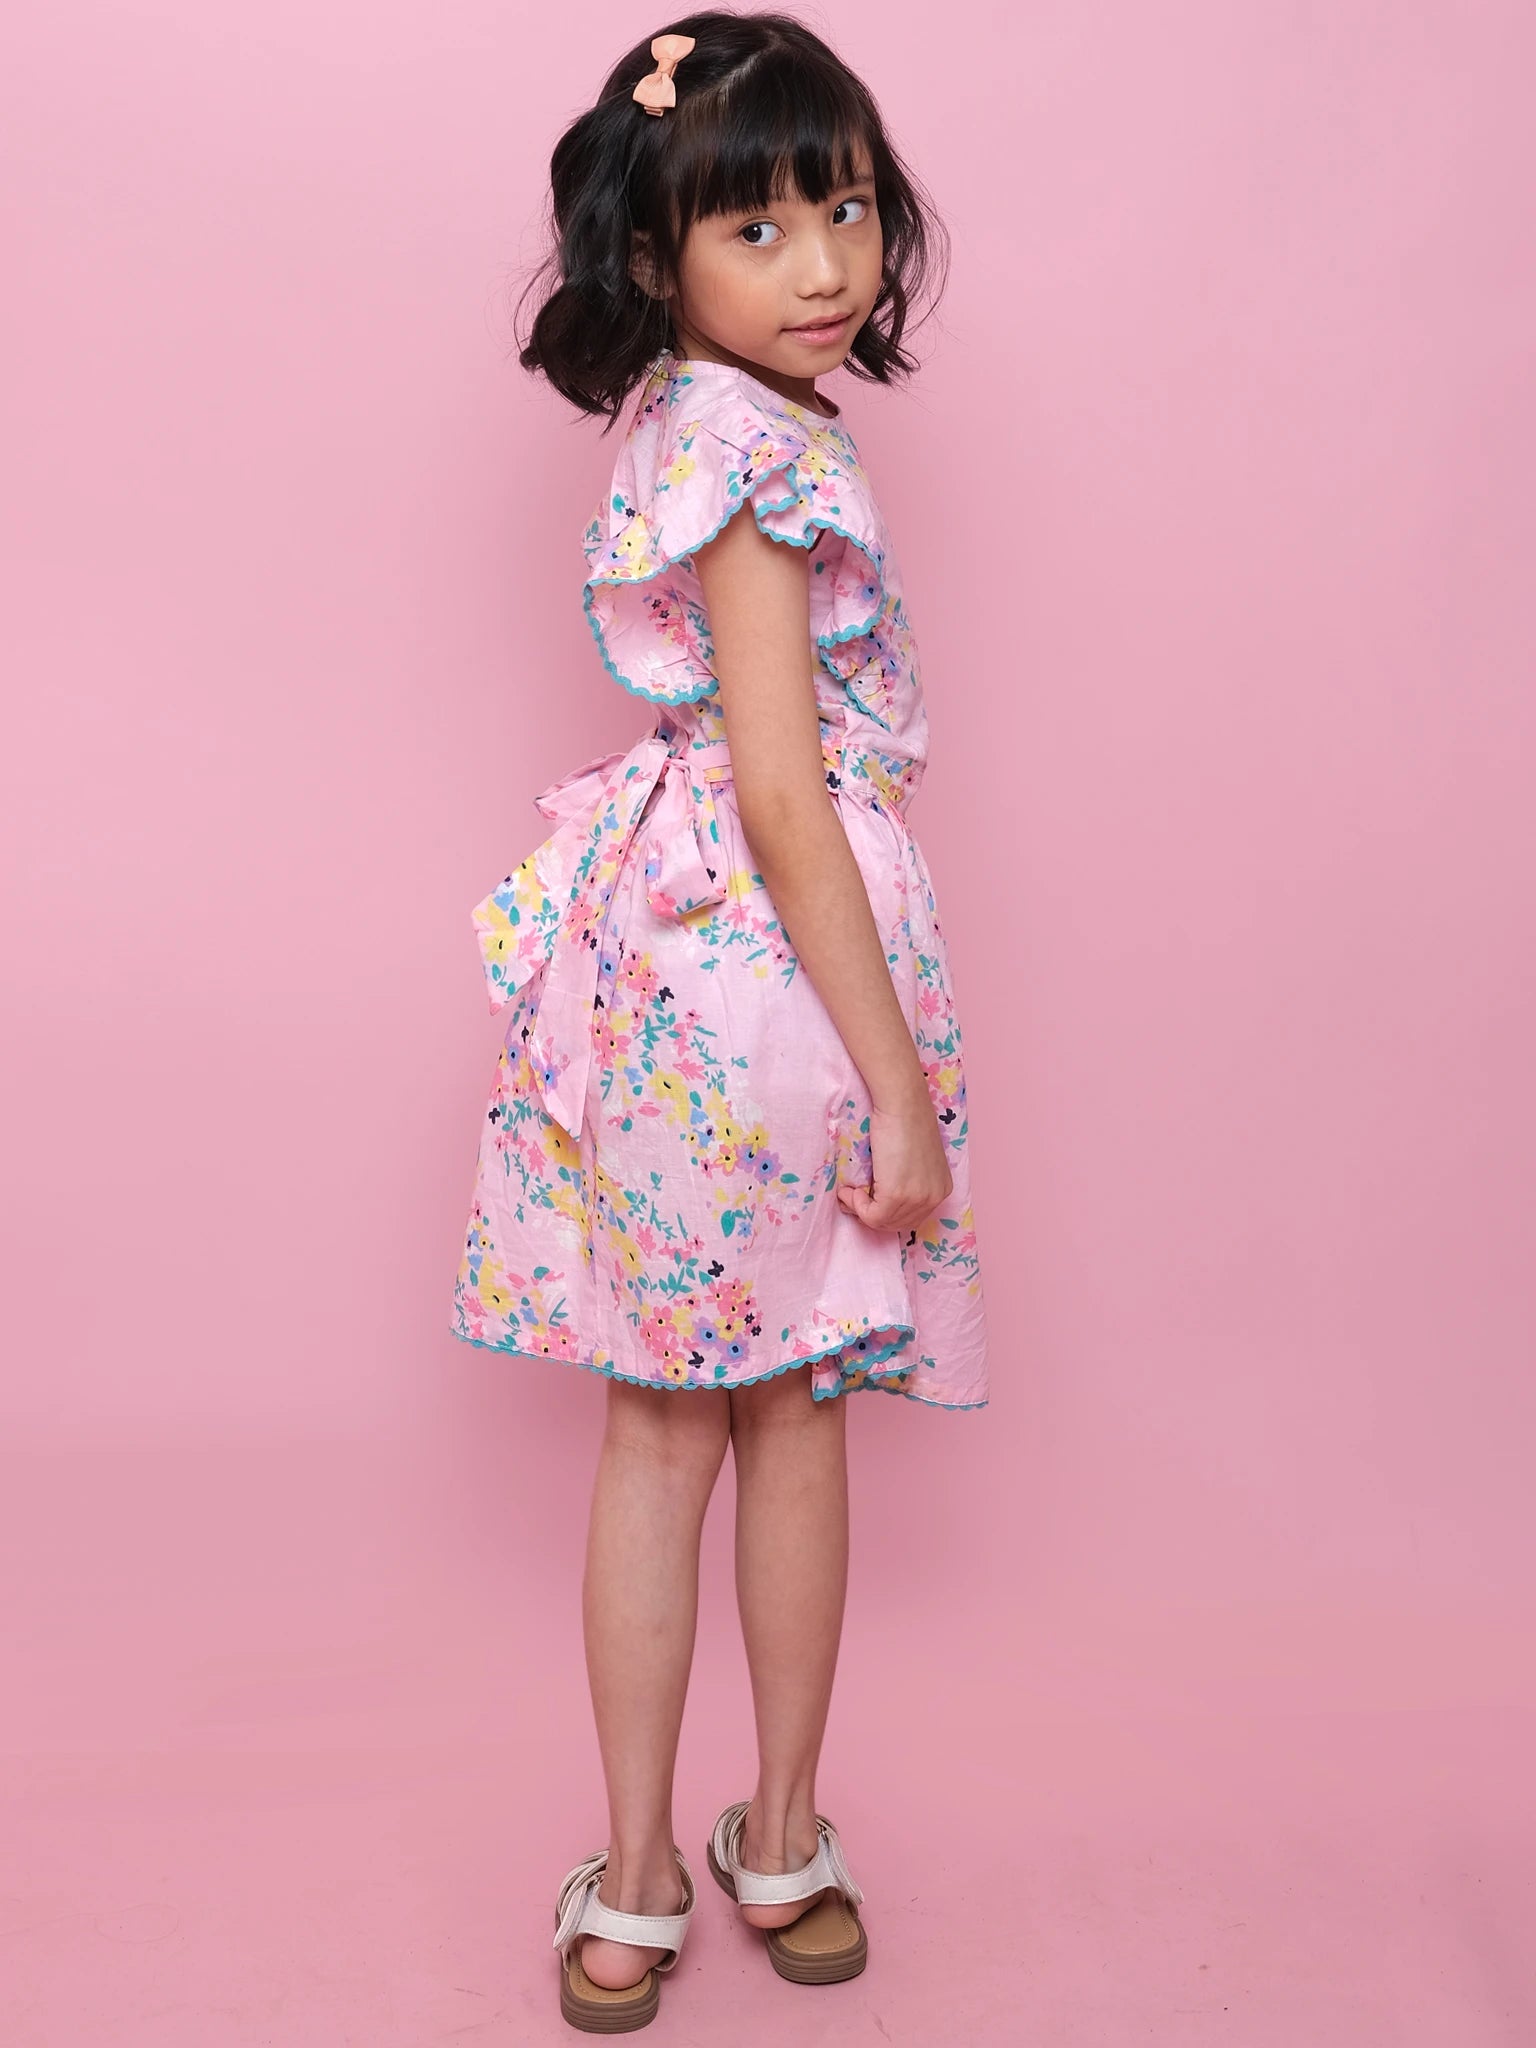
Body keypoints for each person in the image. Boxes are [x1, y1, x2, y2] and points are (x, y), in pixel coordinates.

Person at [449, 12, 989, 2030]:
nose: (826, 260)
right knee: (781, 1415)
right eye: (757, 226)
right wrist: (897, 1081)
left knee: (666, 1427)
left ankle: (643, 1883)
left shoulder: (686, 419)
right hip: (766, 972)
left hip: (674, 959)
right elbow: (781, 786)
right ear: (656, 255)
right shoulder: (759, 455)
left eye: (841, 203)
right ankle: (772, 1833)